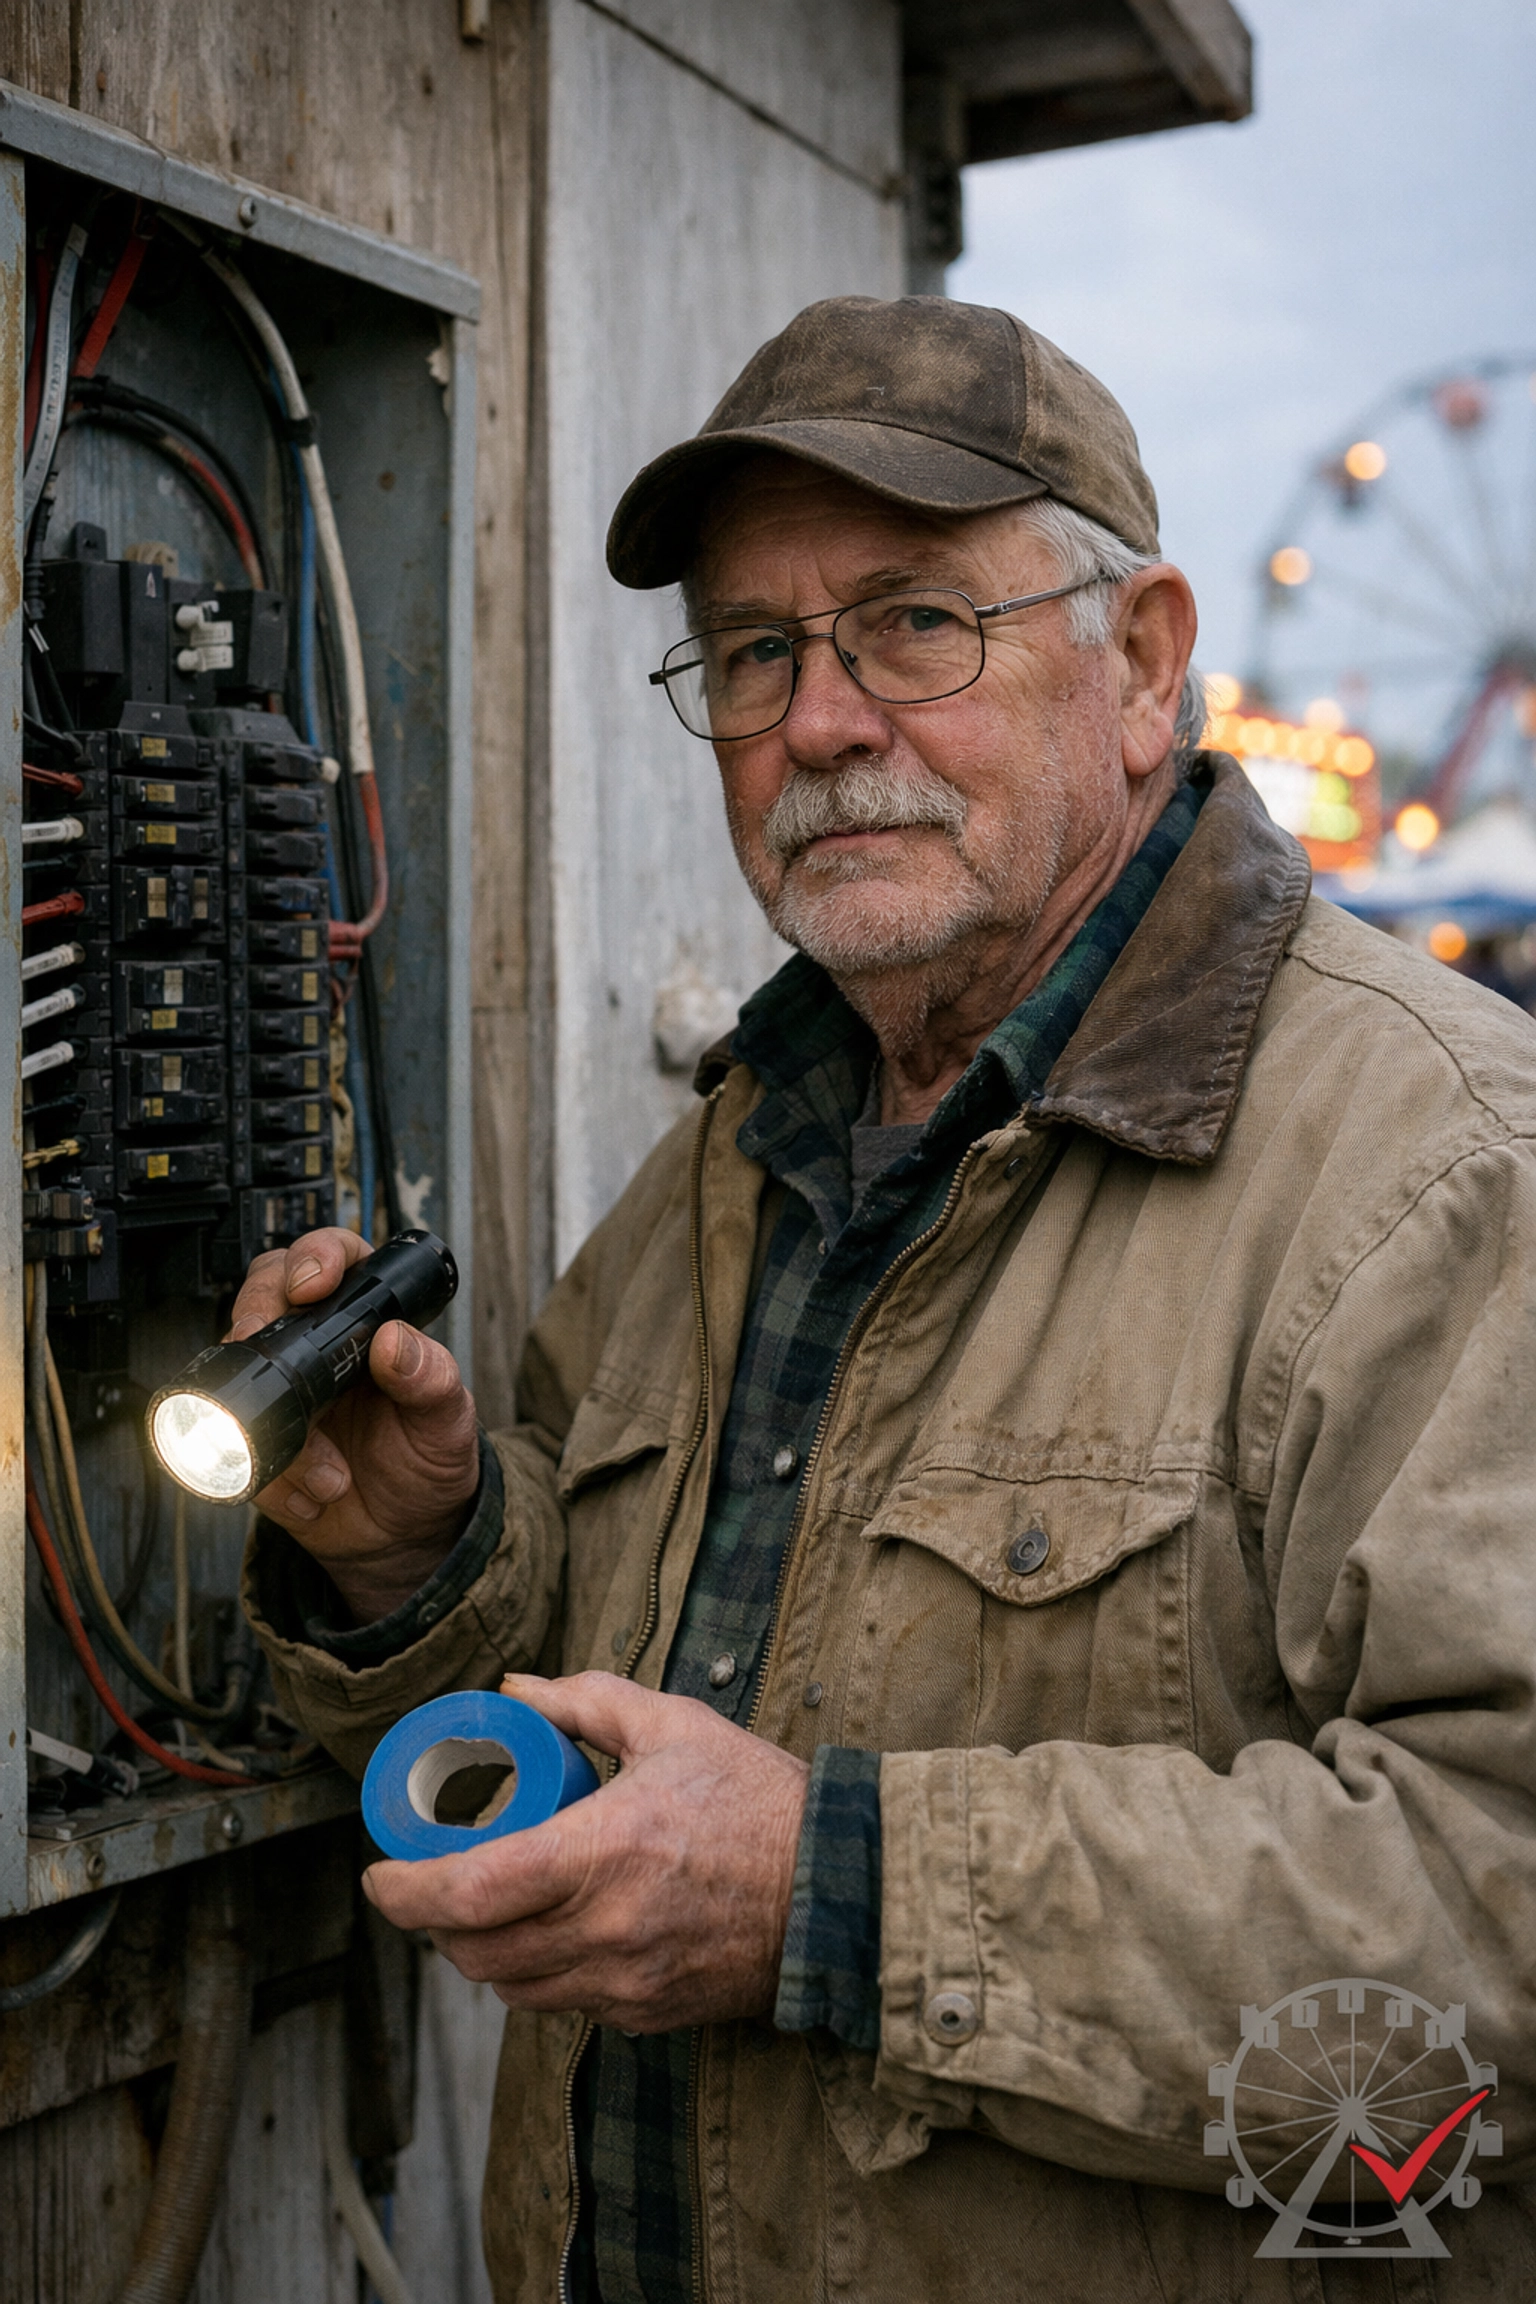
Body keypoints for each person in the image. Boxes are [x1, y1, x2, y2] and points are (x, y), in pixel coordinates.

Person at [240, 297, 1536, 2301]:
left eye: (916, 623)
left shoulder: (1443, 1168)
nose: (823, 724)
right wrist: (425, 1560)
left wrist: (832, 1897)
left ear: (1145, 662)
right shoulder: (725, 1169)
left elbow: (1498, 1912)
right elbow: (612, 1747)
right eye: (756, 652)